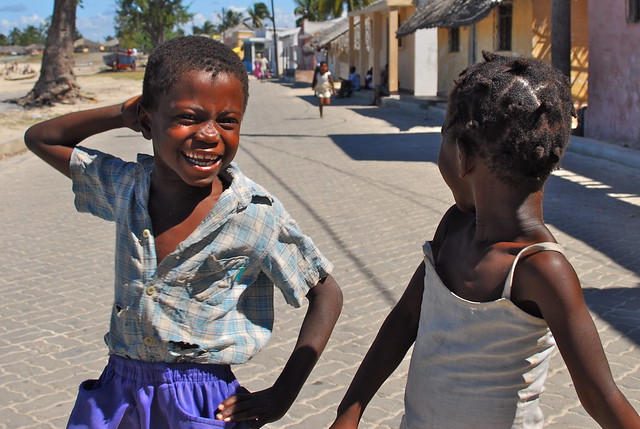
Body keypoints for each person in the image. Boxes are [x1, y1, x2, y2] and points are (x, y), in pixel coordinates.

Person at [24, 35, 343, 429]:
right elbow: (40, 138)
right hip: (118, 394)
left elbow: (326, 294)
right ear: (147, 121)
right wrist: (120, 113)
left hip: (202, 401)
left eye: (227, 121)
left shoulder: (256, 214)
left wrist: (283, 394)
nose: (210, 135)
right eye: (187, 117)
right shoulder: (127, 188)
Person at [330, 52, 640, 429]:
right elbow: (405, 318)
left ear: (461, 157)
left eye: (444, 135)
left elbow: (601, 395)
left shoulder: (542, 268)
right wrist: (349, 411)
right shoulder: (453, 227)